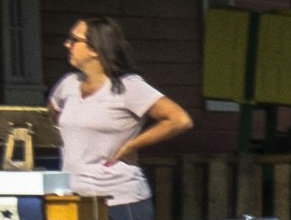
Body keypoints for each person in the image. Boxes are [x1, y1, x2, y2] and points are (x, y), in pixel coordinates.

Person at [50, 17, 194, 208]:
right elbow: (46, 122)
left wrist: (131, 146)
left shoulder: (128, 86)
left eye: (74, 40)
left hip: (119, 201)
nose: (67, 44)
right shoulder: (68, 84)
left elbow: (180, 120)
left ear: (94, 49)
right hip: (74, 199)